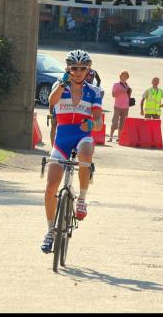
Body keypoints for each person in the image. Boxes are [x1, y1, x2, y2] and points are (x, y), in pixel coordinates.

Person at [41, 49, 103, 253]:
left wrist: (91, 124)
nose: (78, 72)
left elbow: (99, 122)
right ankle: (50, 231)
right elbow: (51, 101)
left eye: (82, 68)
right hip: (62, 138)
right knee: (51, 188)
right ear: (68, 69)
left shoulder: (93, 92)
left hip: (82, 135)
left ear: (88, 70)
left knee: (86, 152)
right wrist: (62, 83)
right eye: (74, 68)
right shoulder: (60, 86)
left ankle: (82, 198)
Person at [109, 70, 132, 142]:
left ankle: (119, 137)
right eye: (123, 75)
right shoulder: (116, 84)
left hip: (125, 107)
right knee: (115, 122)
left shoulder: (127, 86)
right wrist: (123, 91)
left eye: (126, 76)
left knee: (123, 123)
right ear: (120, 76)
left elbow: (128, 96)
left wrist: (129, 91)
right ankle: (111, 136)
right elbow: (113, 95)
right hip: (118, 106)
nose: (125, 77)